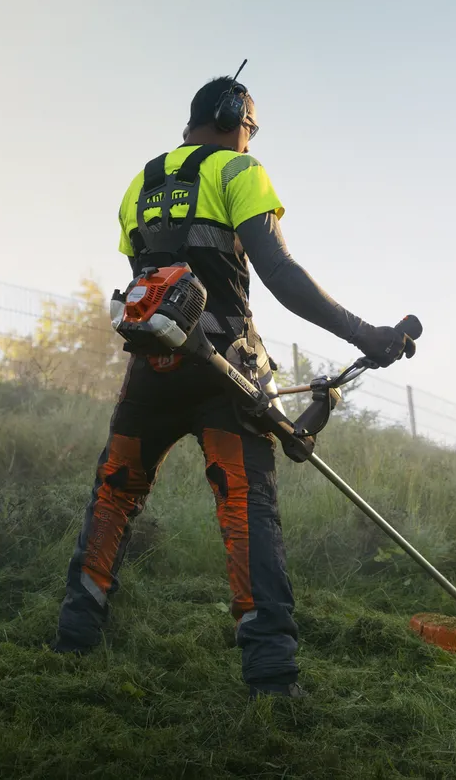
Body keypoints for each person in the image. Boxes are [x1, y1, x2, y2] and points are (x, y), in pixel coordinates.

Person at [50, 73, 416, 699]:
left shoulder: (141, 183)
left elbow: (150, 278)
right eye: (251, 128)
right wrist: (366, 334)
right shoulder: (239, 171)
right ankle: (272, 676)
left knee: (114, 493)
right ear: (232, 117)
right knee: (246, 506)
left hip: (153, 366)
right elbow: (279, 271)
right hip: (227, 372)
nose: (251, 140)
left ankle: (73, 637)